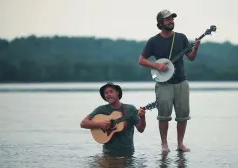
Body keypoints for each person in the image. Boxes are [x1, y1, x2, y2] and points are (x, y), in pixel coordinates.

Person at [138, 9, 201, 152]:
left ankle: (180, 144)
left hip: (181, 82)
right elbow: (141, 60)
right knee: (164, 116)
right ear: (160, 23)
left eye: (172, 19)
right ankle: (164, 144)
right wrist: (156, 66)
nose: (171, 21)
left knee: (183, 115)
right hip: (163, 84)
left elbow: (191, 57)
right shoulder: (153, 41)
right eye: (167, 19)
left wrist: (196, 48)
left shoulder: (181, 37)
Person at [80, 82, 146, 156]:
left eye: (111, 91)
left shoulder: (130, 109)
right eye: (106, 93)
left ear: (117, 92)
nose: (108, 94)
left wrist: (142, 117)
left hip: (128, 153)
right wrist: (101, 124)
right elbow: (83, 123)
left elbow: (141, 129)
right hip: (108, 153)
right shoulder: (101, 110)